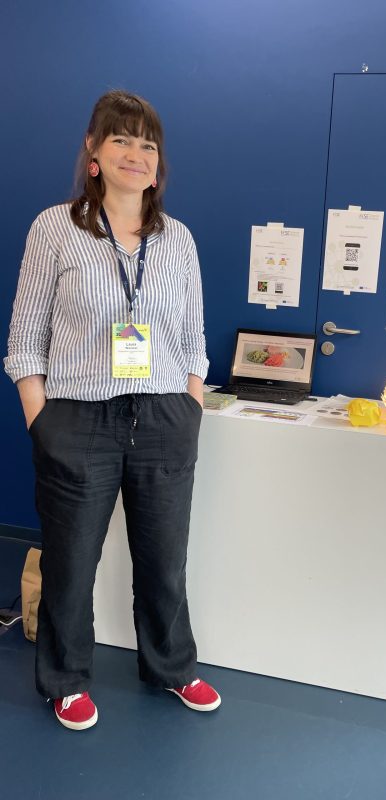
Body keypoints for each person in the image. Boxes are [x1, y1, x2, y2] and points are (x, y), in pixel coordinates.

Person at [4, 90, 220, 730]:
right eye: (121, 140)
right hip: (78, 420)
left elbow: (194, 338)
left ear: (159, 166)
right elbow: (24, 339)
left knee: (165, 558)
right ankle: (64, 679)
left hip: (162, 418)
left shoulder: (177, 239)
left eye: (147, 145)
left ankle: (172, 667)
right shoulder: (55, 228)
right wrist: (42, 419)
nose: (136, 153)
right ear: (93, 154)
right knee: (71, 564)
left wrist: (190, 402)